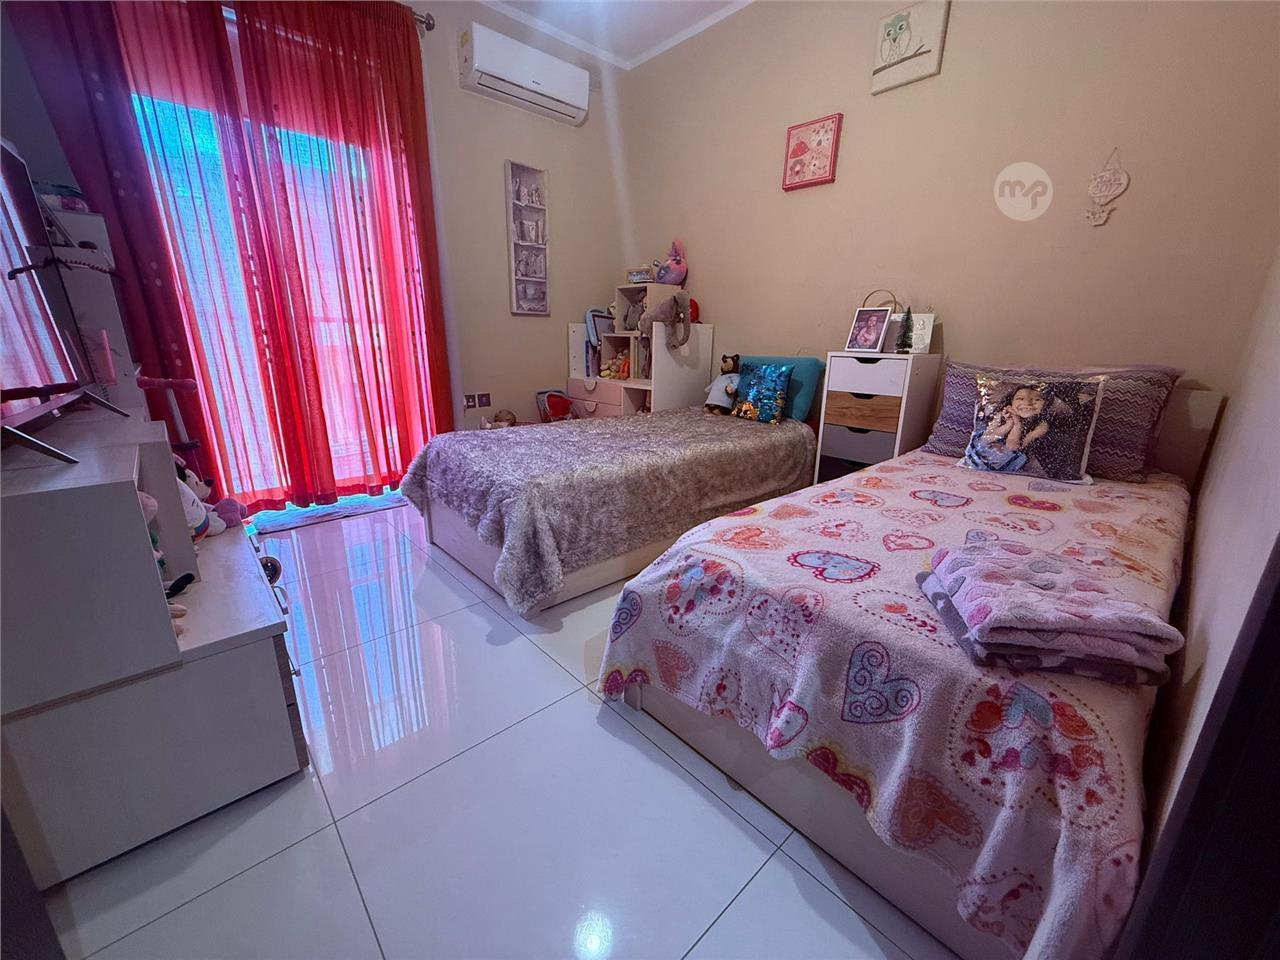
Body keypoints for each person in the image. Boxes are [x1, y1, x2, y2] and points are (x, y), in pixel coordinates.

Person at [963, 384, 1051, 472]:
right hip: (981, 455)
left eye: (1037, 399)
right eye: (1020, 398)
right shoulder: (1001, 415)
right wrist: (1008, 424)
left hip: (1010, 463)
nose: (1027, 403)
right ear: (1011, 402)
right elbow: (986, 438)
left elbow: (1012, 447)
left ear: (1045, 404)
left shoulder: (1041, 426)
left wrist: (1017, 425)